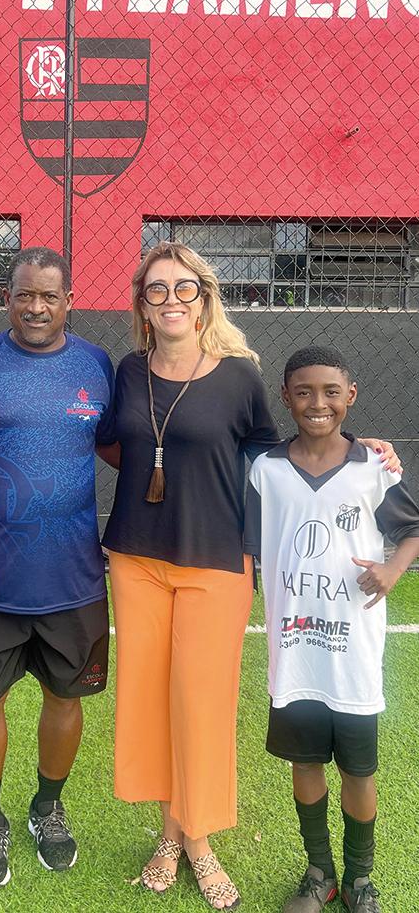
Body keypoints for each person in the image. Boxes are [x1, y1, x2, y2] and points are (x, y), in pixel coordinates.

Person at [99, 241, 399, 911]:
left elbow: (285, 453)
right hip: (137, 557)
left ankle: (197, 843)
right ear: (141, 305)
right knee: (151, 699)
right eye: (157, 290)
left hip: (215, 559)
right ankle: (170, 835)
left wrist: (363, 449)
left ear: (205, 298)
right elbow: (114, 442)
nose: (171, 300)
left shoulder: (237, 377)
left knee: (199, 703)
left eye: (184, 288)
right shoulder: (126, 370)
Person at [0, 247, 116, 889]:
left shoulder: (96, 364)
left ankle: (47, 806)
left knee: (64, 698)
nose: (37, 307)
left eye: (49, 295)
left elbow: (111, 445)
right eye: (25, 295)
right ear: (7, 298)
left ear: (68, 300)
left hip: (74, 574)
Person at [244, 346, 419, 913]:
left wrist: (393, 569)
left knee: (359, 768)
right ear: (286, 397)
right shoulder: (265, 469)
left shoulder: (373, 467)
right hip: (294, 652)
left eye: (330, 392)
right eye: (303, 392)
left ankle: (360, 877)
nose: (317, 404)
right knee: (306, 762)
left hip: (354, 656)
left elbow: (412, 530)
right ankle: (319, 871)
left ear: (351, 397)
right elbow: (248, 548)